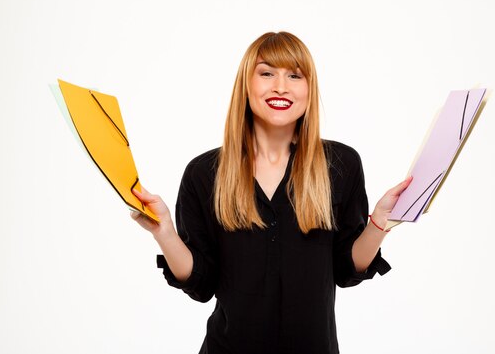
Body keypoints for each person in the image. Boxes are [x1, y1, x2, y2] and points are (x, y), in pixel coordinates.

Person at [130, 31, 412, 354]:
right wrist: (164, 231)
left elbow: (346, 269)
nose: (281, 86)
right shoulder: (204, 174)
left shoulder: (341, 165)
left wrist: (379, 222)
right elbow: (202, 283)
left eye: (294, 75)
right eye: (267, 73)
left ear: (309, 89)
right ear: (246, 85)